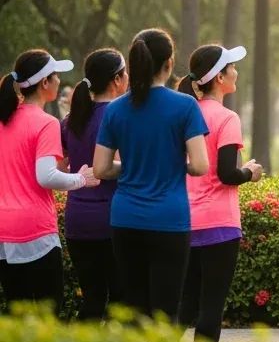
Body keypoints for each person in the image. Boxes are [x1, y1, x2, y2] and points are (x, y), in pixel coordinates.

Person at [93, 28, 209, 320]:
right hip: (169, 221)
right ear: (169, 63)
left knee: (134, 310)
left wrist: (131, 167)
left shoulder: (116, 109)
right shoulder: (185, 106)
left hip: (126, 219)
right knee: (165, 313)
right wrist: (170, 164)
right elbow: (200, 164)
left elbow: (101, 169)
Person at [177, 44, 263, 342]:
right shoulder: (227, 118)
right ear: (219, 78)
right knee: (211, 307)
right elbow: (227, 173)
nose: (236, 72)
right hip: (219, 225)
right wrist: (250, 173)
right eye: (232, 68)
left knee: (184, 305)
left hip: (184, 222)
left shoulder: (183, 114)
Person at [0, 50, 99, 311]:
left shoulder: (3, 119)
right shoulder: (45, 123)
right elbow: (46, 177)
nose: (59, 81)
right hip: (35, 230)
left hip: (3, 230)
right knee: (49, 312)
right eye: (56, 76)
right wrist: (82, 178)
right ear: (45, 83)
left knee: (15, 311)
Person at [62, 48, 129, 320]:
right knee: (120, 301)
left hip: (77, 220)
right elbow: (124, 165)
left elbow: (60, 170)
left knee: (92, 299)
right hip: (112, 220)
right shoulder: (121, 117)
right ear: (116, 79)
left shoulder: (70, 121)